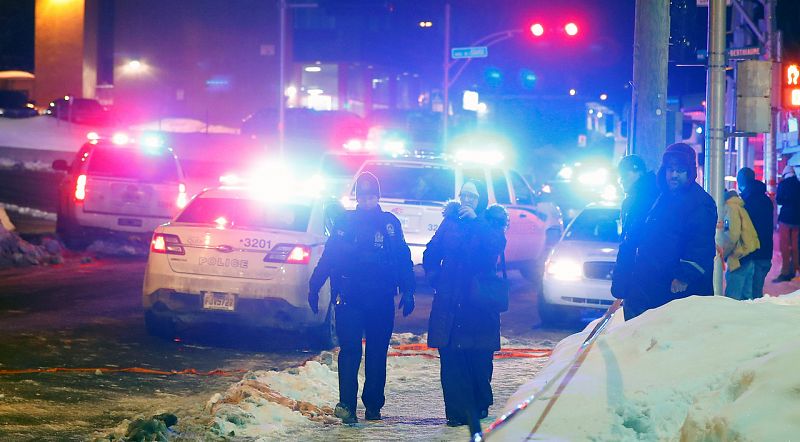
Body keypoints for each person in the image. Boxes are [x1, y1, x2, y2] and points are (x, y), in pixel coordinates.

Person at [307, 172, 416, 424]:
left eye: (371, 195)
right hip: (350, 298)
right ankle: (346, 404)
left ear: (377, 196)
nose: (367, 200)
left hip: (380, 299)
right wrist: (315, 285)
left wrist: (409, 289)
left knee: (377, 353)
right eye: (362, 195)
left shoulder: (389, 224)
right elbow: (329, 256)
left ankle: (373, 405)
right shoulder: (345, 223)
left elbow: (402, 257)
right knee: (350, 351)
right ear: (357, 197)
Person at [422, 180, 508, 437]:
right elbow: (431, 252)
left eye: (472, 195)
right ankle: (456, 412)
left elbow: (495, 246)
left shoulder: (490, 221)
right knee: (451, 357)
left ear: (480, 199)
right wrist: (435, 277)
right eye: (464, 195)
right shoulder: (449, 221)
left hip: (479, 303)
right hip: (450, 300)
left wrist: (476, 222)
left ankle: (479, 404)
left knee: (479, 356)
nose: (467, 199)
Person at [625, 143, 717, 319]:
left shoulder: (700, 202)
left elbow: (700, 245)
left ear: (690, 172)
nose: (674, 175)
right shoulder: (662, 198)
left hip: (681, 290)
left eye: (680, 170)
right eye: (670, 169)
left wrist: (684, 276)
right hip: (658, 285)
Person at [610, 154, 660, 320]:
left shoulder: (639, 200)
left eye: (624, 175)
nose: (621, 180)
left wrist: (622, 278)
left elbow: (629, 243)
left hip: (640, 275)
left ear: (637, 173)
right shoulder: (653, 194)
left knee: (636, 327)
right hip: (648, 275)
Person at [737, 167, 774, 297]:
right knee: (757, 294)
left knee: (749, 296)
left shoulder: (745, 202)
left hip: (752, 255)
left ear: (740, 181)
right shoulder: (766, 200)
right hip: (766, 253)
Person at [715, 190, 760, 300]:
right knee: (747, 298)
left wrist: (723, 253)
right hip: (748, 256)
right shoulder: (739, 206)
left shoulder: (730, 208)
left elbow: (732, 235)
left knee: (732, 299)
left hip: (739, 258)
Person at [773, 159, 800, 282]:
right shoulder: (799, 184)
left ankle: (785, 271)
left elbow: (779, 200)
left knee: (784, 246)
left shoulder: (782, 184)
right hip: (797, 220)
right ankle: (795, 270)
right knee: (795, 246)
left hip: (785, 219)